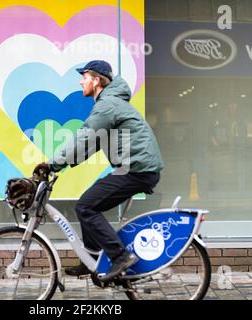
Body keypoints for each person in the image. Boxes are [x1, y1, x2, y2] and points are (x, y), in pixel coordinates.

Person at [33, 60, 164, 282]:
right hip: (135, 168)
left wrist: (52, 164)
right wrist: (60, 165)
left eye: (84, 77)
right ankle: (91, 259)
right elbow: (91, 144)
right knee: (87, 204)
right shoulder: (109, 104)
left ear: (96, 80)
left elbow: (84, 137)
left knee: (86, 206)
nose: (80, 81)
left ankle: (121, 256)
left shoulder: (108, 105)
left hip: (137, 170)